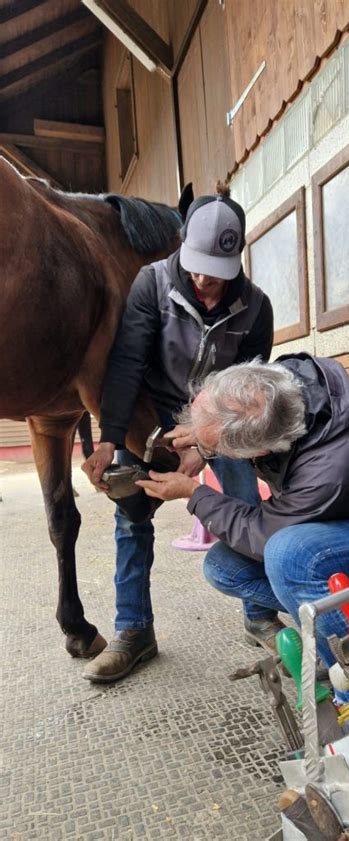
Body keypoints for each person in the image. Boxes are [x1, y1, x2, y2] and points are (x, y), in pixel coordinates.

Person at [136, 354, 349, 672]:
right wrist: (202, 431)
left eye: (213, 451)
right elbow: (241, 416)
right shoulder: (278, 389)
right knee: (223, 566)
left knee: (290, 555)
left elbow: (265, 535)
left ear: (260, 452)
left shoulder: (331, 465)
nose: (206, 454)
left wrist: (192, 493)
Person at [81, 183, 274, 682]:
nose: (205, 281)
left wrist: (207, 446)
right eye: (196, 267)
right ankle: (135, 631)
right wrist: (109, 437)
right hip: (153, 413)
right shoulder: (151, 284)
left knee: (244, 508)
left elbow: (249, 395)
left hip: (222, 418)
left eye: (218, 273)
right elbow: (126, 363)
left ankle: (258, 614)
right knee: (130, 513)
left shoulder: (255, 308)